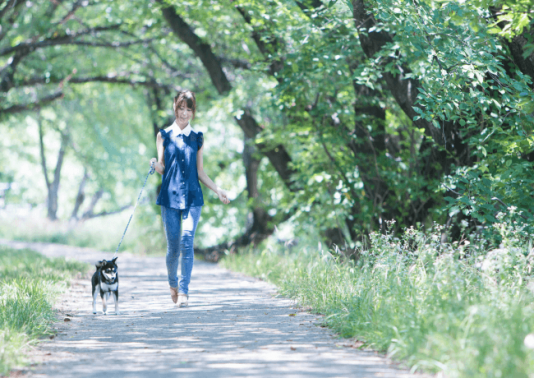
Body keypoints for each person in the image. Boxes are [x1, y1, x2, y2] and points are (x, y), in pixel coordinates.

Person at [150, 90, 230, 307]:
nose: (184, 113)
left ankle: (184, 291)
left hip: (193, 198)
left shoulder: (197, 138)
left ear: (193, 111)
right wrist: (154, 165)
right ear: (174, 106)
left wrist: (218, 190)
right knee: (173, 248)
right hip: (169, 198)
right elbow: (162, 167)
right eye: (180, 108)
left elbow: (201, 172)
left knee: (187, 241)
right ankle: (172, 283)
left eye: (189, 109)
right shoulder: (163, 135)